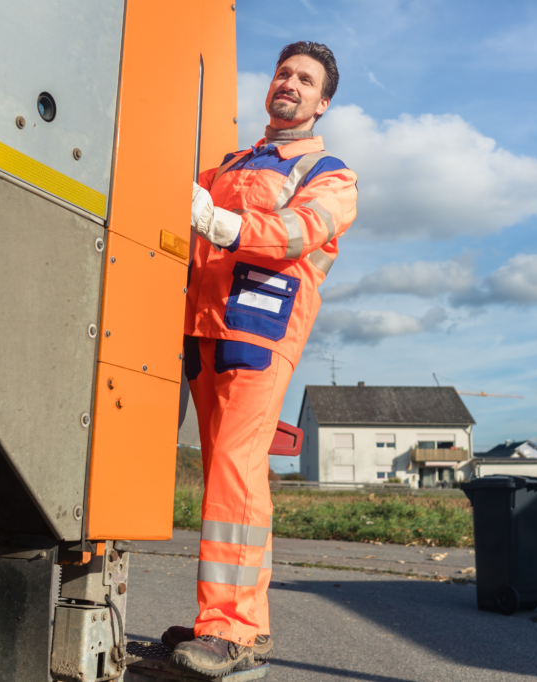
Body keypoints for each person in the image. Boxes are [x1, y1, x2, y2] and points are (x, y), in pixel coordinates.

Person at [164, 41, 358, 677]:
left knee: (236, 470)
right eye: (284, 73)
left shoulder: (331, 174)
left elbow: (301, 233)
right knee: (224, 471)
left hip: (260, 333)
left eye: (305, 80)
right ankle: (233, 619)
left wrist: (221, 225)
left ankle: (233, 629)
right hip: (202, 332)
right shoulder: (228, 165)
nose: (290, 84)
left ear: (322, 103)